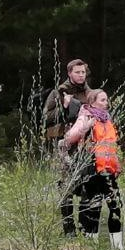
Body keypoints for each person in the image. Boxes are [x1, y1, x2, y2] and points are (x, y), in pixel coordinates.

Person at [61, 89, 125, 250]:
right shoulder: (86, 117)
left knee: (116, 206)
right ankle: (90, 244)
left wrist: (117, 164)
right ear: (92, 102)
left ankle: (117, 246)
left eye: (107, 100)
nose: (106, 103)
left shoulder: (108, 120)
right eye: (102, 100)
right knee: (93, 208)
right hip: (92, 170)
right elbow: (68, 138)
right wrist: (85, 128)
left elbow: (111, 146)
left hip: (109, 171)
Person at [43, 59, 91, 236]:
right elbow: (45, 118)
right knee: (66, 188)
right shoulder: (59, 92)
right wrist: (64, 107)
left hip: (86, 146)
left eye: (83, 72)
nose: (80, 75)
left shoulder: (90, 93)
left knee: (87, 186)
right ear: (69, 73)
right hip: (63, 146)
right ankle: (69, 229)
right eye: (77, 72)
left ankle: (86, 228)